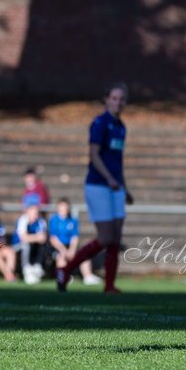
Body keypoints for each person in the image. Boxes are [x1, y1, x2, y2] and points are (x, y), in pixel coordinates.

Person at [57, 83, 134, 294]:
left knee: (115, 239)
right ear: (107, 100)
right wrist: (109, 178)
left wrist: (124, 188)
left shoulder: (121, 127)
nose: (118, 102)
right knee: (106, 237)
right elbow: (94, 155)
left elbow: (118, 162)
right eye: (115, 98)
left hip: (116, 187)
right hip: (98, 185)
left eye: (122, 99)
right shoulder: (100, 123)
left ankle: (109, 285)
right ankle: (66, 270)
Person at [48, 198, 98, 285]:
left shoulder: (73, 220)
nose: (64, 210)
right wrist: (63, 250)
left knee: (84, 255)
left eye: (65, 208)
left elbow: (74, 237)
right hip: (58, 247)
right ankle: (63, 277)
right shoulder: (54, 220)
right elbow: (53, 239)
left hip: (70, 246)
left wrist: (72, 250)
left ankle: (88, 276)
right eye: (62, 208)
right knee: (61, 257)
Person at [15, 203, 49, 283]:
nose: (35, 216)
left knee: (43, 245)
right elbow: (23, 238)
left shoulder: (41, 221)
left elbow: (43, 238)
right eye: (34, 213)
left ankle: (38, 266)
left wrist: (32, 238)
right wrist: (36, 237)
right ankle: (26, 268)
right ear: (28, 212)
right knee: (25, 245)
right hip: (18, 246)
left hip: (35, 246)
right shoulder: (23, 220)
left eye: (37, 213)